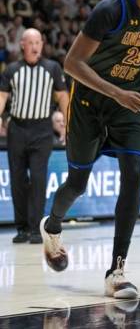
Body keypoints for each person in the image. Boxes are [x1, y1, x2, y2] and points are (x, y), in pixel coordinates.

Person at [40, 0, 140, 299]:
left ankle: (116, 271)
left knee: (134, 175)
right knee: (78, 183)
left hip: (130, 105)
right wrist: (116, 92)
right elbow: (72, 63)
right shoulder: (111, 9)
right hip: (89, 103)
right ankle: (52, 225)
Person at [0, 29, 68, 244]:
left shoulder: (52, 68)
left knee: (38, 180)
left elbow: (63, 96)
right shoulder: (12, 69)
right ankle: (21, 228)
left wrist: (67, 124)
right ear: (22, 45)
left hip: (42, 130)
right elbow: (2, 96)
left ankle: (36, 228)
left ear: (42, 43)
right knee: (18, 180)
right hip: (17, 129)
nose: (35, 46)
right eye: (30, 42)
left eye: (38, 41)